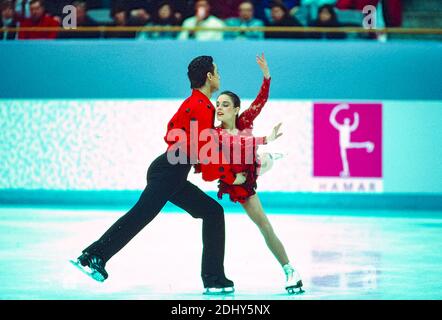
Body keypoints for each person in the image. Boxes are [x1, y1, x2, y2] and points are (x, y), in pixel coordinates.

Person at [71, 56, 243, 295]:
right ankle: (93, 255)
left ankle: (214, 278)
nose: (220, 76)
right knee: (141, 215)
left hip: (171, 170)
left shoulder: (193, 103)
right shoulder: (202, 106)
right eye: (217, 72)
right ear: (209, 77)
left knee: (212, 212)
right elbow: (201, 149)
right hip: (169, 172)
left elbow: (174, 131)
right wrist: (229, 176)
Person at [196, 54, 304, 294]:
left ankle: (290, 270)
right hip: (236, 182)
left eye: (225, 104)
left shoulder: (245, 120)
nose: (219, 108)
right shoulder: (215, 133)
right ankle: (267, 158)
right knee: (258, 165)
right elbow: (236, 143)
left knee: (266, 225)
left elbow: (261, 100)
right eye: (218, 104)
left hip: (250, 167)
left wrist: (266, 75)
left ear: (236, 109)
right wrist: (267, 139)